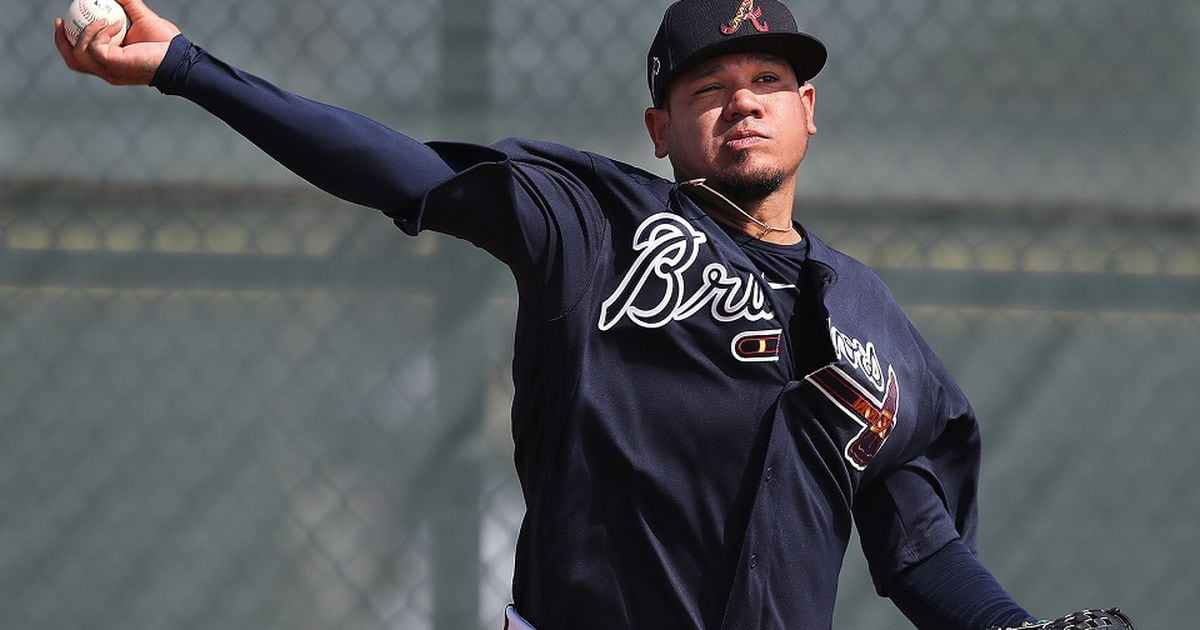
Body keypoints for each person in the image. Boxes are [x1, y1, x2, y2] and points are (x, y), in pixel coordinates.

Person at [55, 1, 1132, 629]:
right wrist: (190, 70)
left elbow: (917, 545)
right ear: (660, 126)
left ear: (810, 112)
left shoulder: (878, 325)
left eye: (769, 77)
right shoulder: (593, 220)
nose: (744, 99)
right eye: (710, 84)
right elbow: (399, 169)